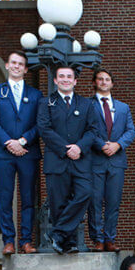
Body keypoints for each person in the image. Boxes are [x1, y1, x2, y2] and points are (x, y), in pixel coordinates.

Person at [36, 65, 105, 254]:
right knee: (58, 203)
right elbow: (44, 129)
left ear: (75, 81)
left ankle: (57, 234)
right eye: (61, 77)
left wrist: (79, 147)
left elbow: (93, 130)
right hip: (57, 160)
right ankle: (67, 244)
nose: (65, 79)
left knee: (85, 193)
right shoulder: (46, 103)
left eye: (69, 77)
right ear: (56, 81)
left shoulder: (86, 104)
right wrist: (66, 149)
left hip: (80, 161)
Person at [0, 51, 41, 255]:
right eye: (13, 63)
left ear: (26, 69)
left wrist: (23, 141)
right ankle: (8, 241)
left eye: (21, 64)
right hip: (4, 153)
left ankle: (26, 241)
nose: (17, 66)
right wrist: (9, 142)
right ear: (7, 66)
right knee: (5, 198)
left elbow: (40, 123)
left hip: (28, 151)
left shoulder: (36, 95)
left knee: (28, 199)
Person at [87, 69, 135, 251]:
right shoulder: (87, 105)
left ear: (112, 84)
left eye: (107, 79)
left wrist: (117, 145)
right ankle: (98, 239)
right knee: (95, 201)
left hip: (117, 161)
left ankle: (110, 239)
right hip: (96, 160)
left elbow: (130, 131)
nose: (104, 82)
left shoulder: (123, 107)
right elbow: (86, 129)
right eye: (100, 79)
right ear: (95, 82)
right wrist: (101, 145)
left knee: (113, 202)